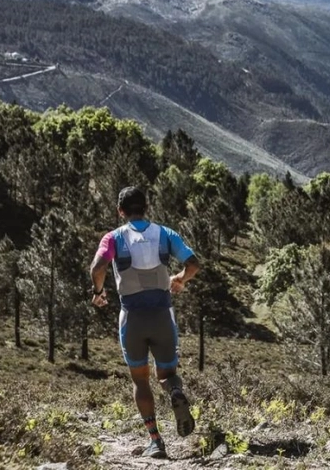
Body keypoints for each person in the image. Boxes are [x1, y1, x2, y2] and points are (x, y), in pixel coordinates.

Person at [91, 186, 200, 460]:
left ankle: (155, 441)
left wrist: (98, 292)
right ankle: (175, 390)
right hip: (163, 316)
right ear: (146, 208)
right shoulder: (165, 234)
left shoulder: (113, 237)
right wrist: (180, 280)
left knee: (140, 381)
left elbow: (98, 267)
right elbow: (194, 264)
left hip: (132, 319)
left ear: (121, 211)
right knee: (166, 374)